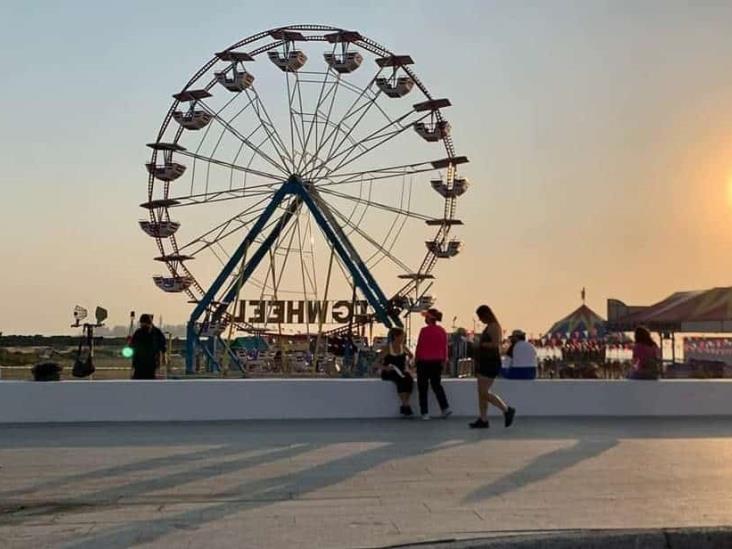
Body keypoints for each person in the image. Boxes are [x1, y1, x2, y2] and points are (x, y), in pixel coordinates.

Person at [470, 305, 516, 429]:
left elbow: (496, 344)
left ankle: (506, 409)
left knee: (484, 393)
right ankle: (483, 419)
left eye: (481, 317)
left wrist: (481, 343)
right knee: (481, 392)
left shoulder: (494, 327)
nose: (480, 320)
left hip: (490, 362)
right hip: (485, 361)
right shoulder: (489, 327)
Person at [414, 308, 452, 420]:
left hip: (424, 362)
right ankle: (445, 408)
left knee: (423, 387)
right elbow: (445, 348)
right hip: (437, 361)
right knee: (437, 385)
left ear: (429, 318)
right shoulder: (442, 331)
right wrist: (445, 361)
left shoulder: (424, 331)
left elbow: (419, 347)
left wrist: (416, 359)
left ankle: (425, 413)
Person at [379, 327, 415, 417]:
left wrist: (408, 364)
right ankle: (406, 405)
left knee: (409, 380)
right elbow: (375, 363)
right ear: (396, 337)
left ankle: (405, 404)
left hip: (401, 371)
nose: (403, 338)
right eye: (402, 336)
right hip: (389, 371)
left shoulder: (403, 347)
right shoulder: (387, 348)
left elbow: (411, 356)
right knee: (400, 380)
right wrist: (385, 367)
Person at [130, 314, 167, 380]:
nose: (143, 326)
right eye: (142, 324)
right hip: (139, 363)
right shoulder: (138, 333)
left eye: (145, 324)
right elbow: (132, 345)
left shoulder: (157, 333)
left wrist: (163, 358)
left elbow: (163, 346)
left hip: (152, 363)